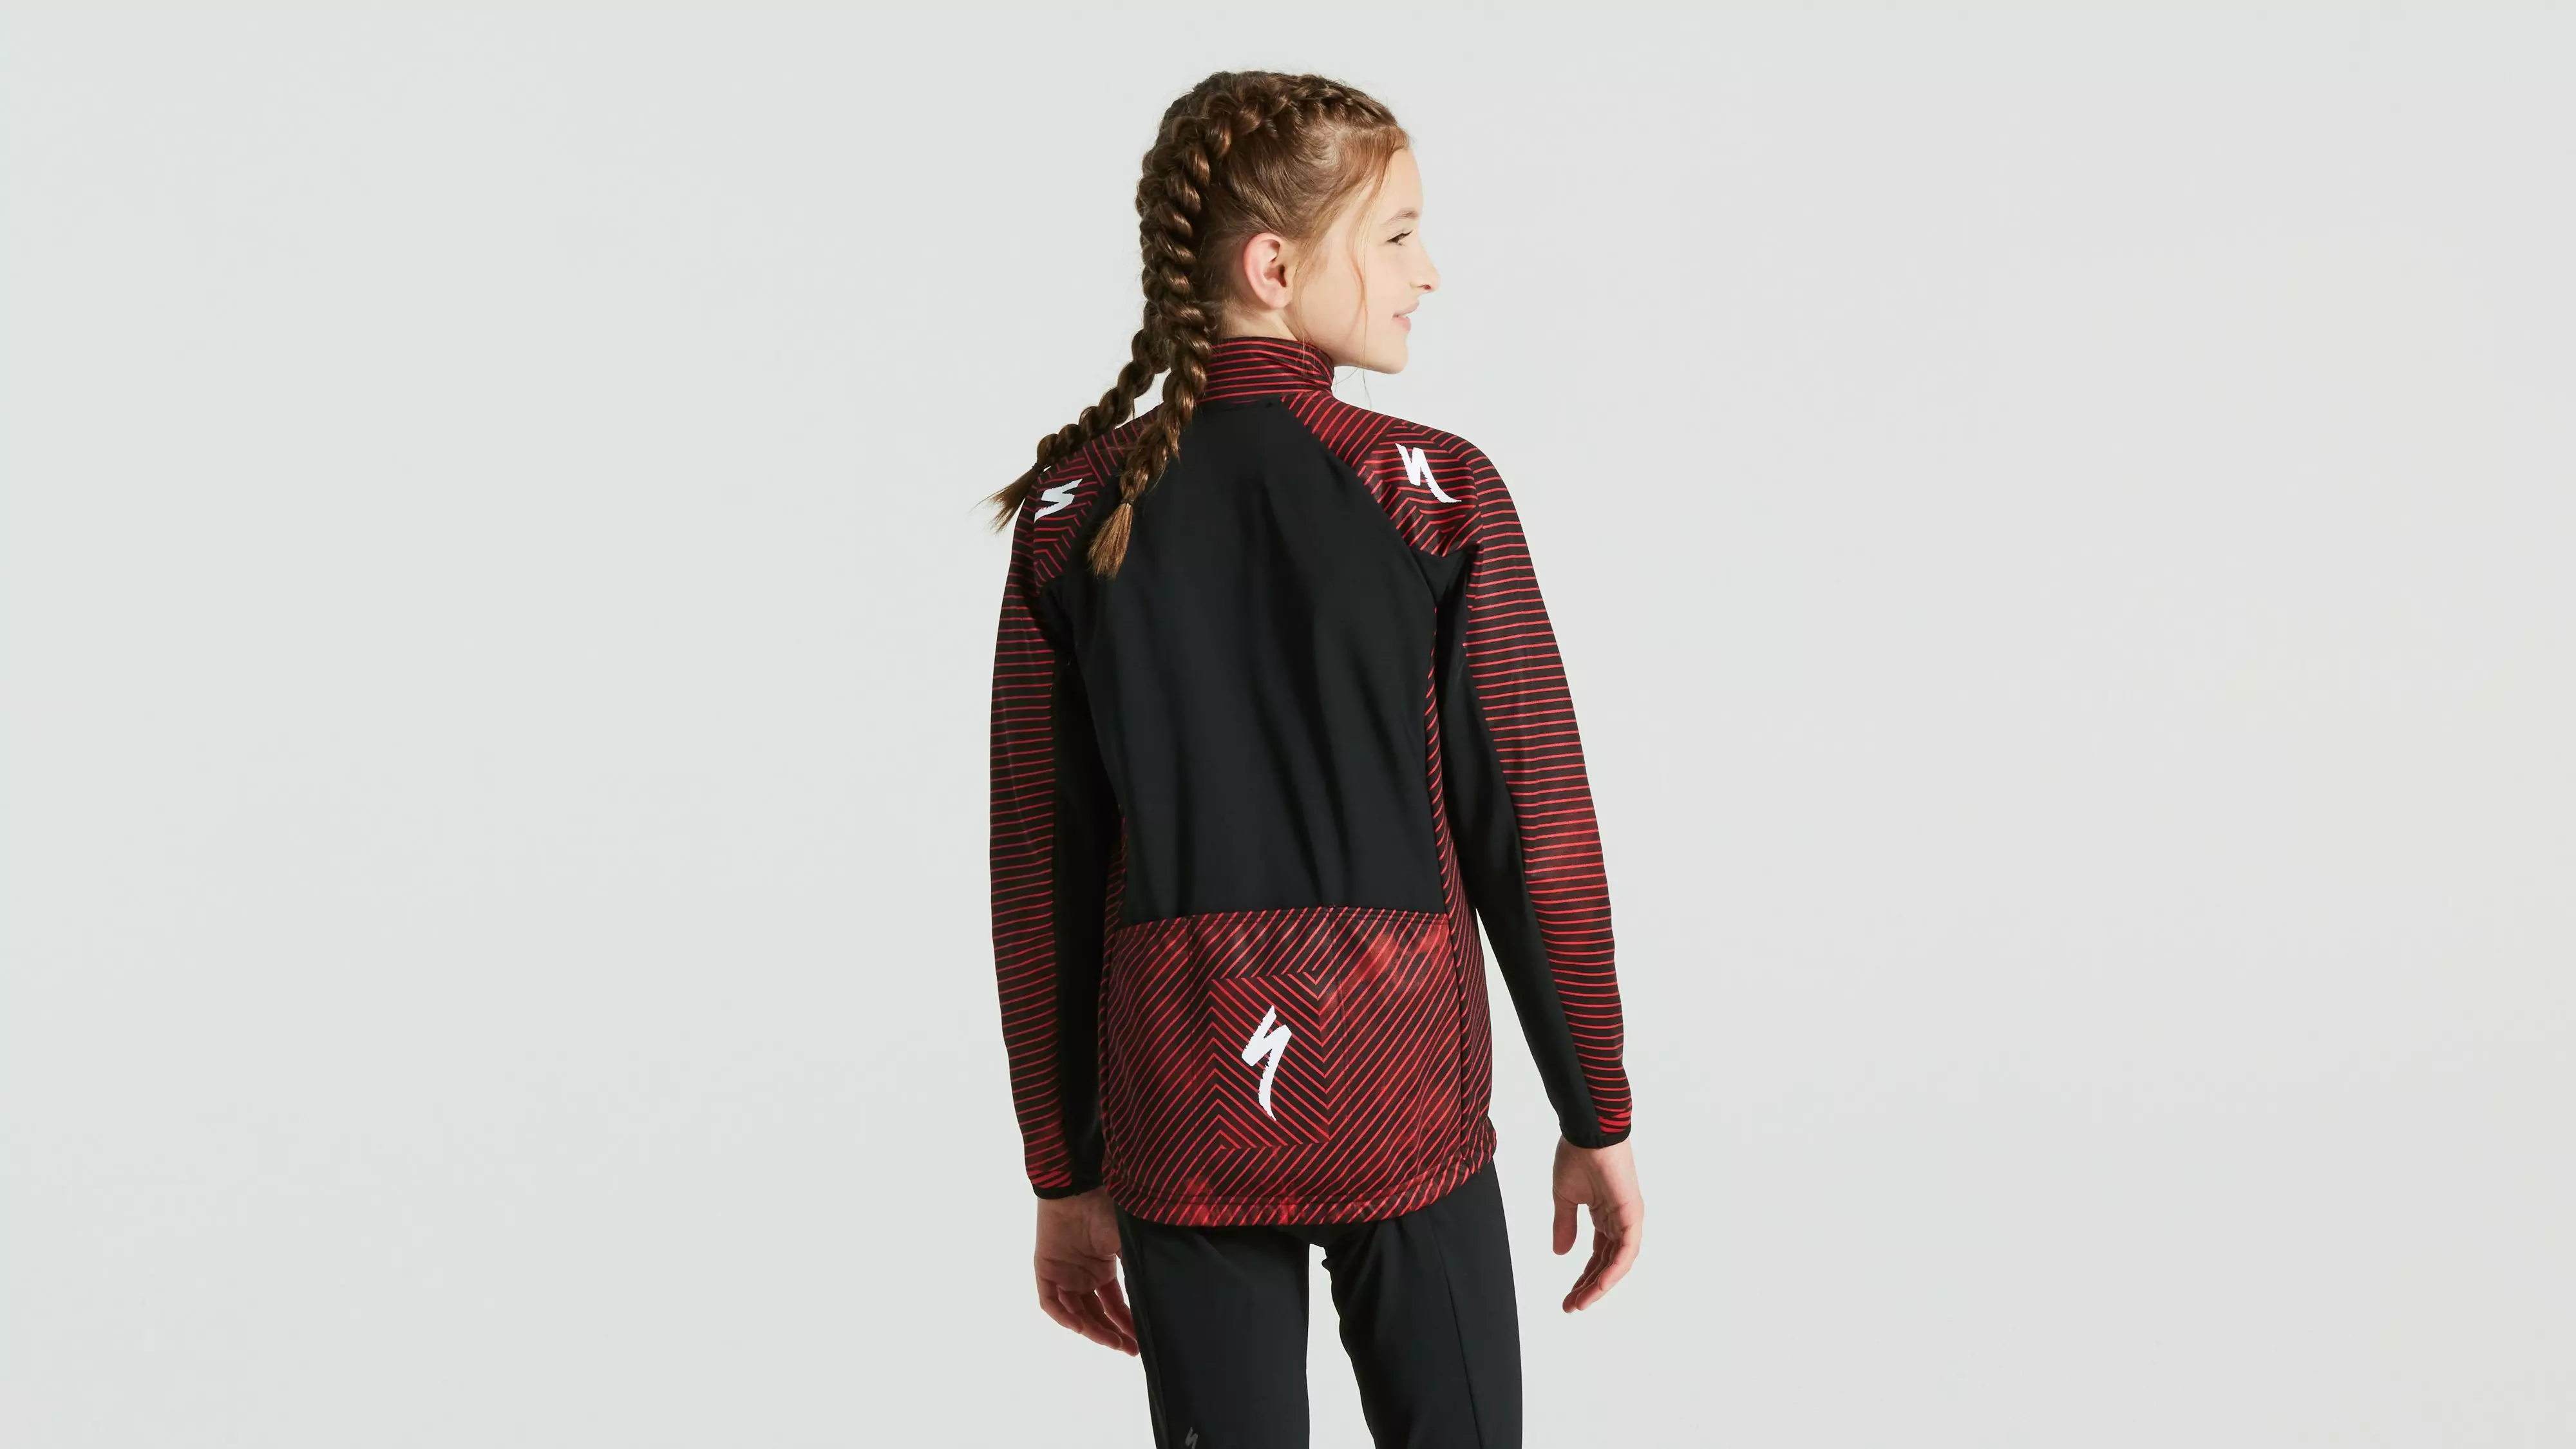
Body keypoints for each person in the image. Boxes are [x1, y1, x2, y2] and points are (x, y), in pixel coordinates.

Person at [981, 69, 1642, 1449]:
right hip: (1405, 1084)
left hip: (1181, 1094)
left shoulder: (1069, 512)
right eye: (1396, 235)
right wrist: (1596, 1108)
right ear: (1274, 268)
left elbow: (1044, 872)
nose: (1428, 271)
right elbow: (1532, 826)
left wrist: (1063, 1166)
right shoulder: (1434, 488)